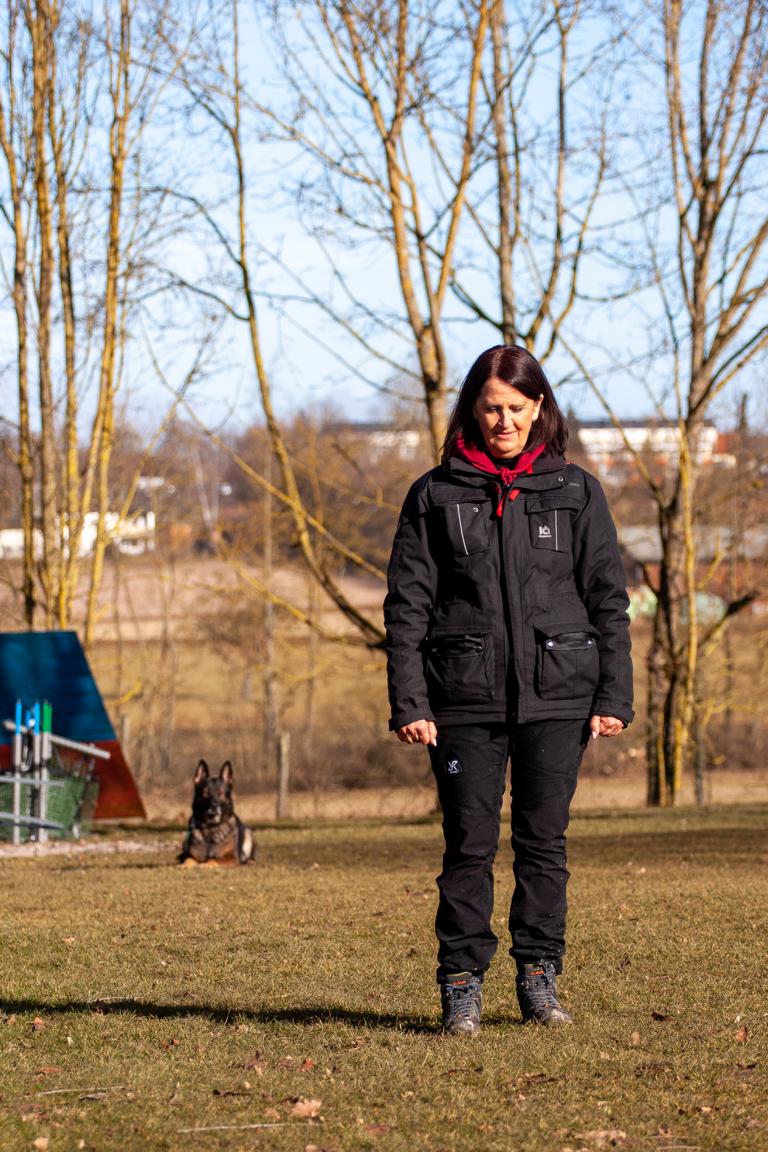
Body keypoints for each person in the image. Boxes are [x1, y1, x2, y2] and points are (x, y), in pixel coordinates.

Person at [384, 345, 633, 1035]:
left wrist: (614, 695)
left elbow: (608, 599)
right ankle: (461, 984)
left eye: (516, 408)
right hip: (462, 699)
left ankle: (539, 978)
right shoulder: (433, 494)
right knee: (468, 846)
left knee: (543, 844)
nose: (504, 421)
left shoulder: (577, 490)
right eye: (491, 408)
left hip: (560, 695)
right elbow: (407, 605)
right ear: (472, 408)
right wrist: (410, 700)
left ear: (539, 408)